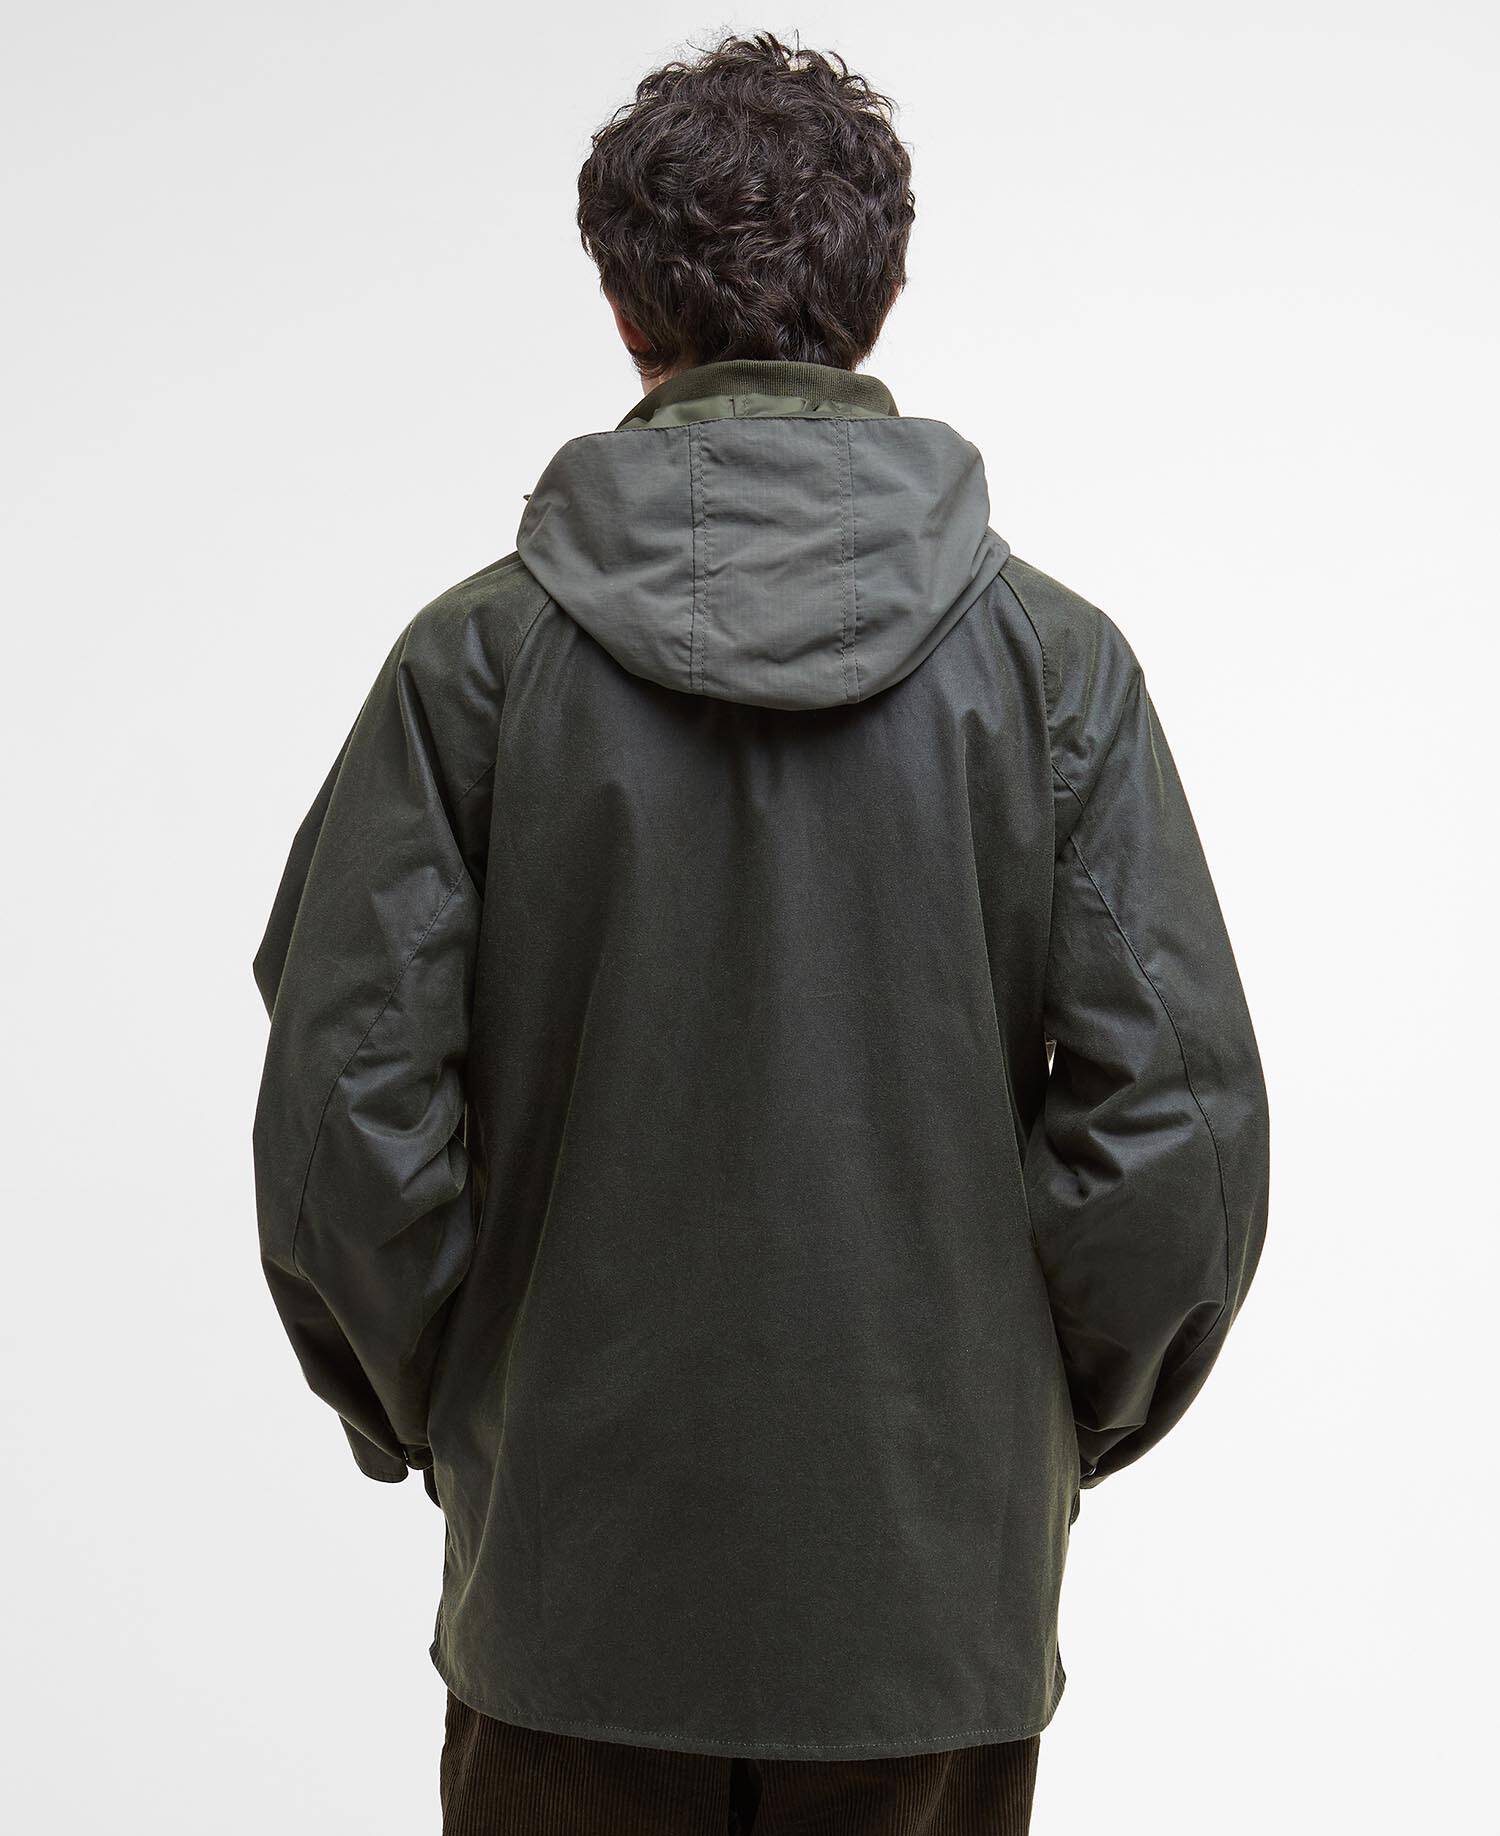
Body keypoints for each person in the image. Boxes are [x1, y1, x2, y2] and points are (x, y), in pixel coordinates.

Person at [251, 31, 1270, 1835]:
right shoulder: (1054, 670)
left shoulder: (474, 667)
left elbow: (348, 1118)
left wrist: (459, 1412)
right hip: (928, 1601)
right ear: (880, 298)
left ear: (624, 306)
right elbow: (1176, 1139)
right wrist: (1024, 1425)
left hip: (569, 1594)